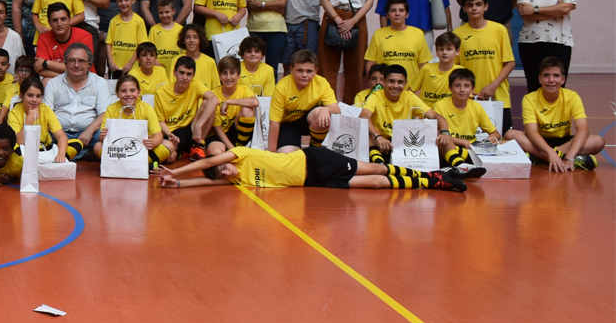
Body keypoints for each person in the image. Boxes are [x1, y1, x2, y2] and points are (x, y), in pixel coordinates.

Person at [156, 144, 467, 192]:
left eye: (225, 169)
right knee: (375, 185)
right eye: (224, 175)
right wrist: (180, 186)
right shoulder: (236, 181)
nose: (227, 173)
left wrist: (174, 172)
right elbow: (210, 180)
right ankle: (438, 183)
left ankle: (432, 173)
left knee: (377, 169)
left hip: (315, 159)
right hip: (312, 181)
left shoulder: (239, 156)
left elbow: (209, 163)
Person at [507, 57, 603, 172]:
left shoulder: (572, 97)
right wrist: (550, 152)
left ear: (563, 80)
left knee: (598, 142)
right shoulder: (529, 98)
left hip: (564, 142)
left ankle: (539, 157)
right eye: (546, 75)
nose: (551, 80)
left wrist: (570, 157)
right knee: (510, 135)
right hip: (538, 142)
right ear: (540, 79)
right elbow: (531, 132)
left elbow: (583, 129)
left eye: (556, 76)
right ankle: (554, 158)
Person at [515, 0, 577, 94]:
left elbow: (566, 8)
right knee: (534, 85)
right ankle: (534, 117)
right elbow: (524, 13)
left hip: (560, 41)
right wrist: (556, 11)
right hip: (531, 42)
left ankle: (556, 118)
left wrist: (535, 9)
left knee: (557, 86)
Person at [359, 64, 446, 165]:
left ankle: (458, 165)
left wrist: (445, 132)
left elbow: (435, 116)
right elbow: (364, 115)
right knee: (365, 130)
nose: (395, 86)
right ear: (384, 82)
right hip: (380, 143)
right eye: (391, 81)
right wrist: (378, 136)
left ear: (406, 83)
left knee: (438, 131)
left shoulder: (409, 96)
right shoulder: (376, 96)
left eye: (400, 82)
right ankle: (379, 162)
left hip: (402, 145)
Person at [452, 0, 515, 127]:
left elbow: (510, 63)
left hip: (498, 96)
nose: (474, 8)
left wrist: (493, 86)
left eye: (478, 4)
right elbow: (454, 69)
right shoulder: (457, 34)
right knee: (472, 141)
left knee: (504, 139)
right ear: (464, 8)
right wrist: (466, 90)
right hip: (469, 97)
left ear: (486, 6)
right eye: (470, 5)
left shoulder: (499, 30)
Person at [42, 43, 111, 160]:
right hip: (58, 132)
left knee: (106, 136)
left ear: (89, 64)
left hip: (89, 133)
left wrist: (88, 132)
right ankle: (82, 153)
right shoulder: (53, 83)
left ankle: (67, 152)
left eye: (81, 61)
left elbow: (104, 113)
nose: (76, 65)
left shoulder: (100, 83)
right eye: (72, 60)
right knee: (39, 134)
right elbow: (46, 113)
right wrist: (60, 135)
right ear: (65, 64)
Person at [267, 50, 339, 151]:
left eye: (309, 71)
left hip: (310, 120)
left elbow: (336, 109)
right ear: (291, 70)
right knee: (287, 155)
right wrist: (271, 154)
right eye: (300, 71)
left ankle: (314, 151)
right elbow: (275, 122)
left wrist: (326, 110)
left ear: (316, 71)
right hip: (289, 125)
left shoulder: (321, 83)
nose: (304, 75)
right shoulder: (281, 87)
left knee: (323, 112)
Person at [364, 0, 431, 86]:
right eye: (393, 10)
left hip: (411, 90)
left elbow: (423, 65)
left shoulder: (418, 34)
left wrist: (418, 89)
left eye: (401, 10)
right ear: (387, 15)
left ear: (407, 14)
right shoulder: (378, 34)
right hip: (384, 90)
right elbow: (371, 63)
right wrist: (375, 84)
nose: (397, 13)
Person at [35, 3, 94, 79]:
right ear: (49, 23)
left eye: (63, 19)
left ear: (69, 20)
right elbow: (40, 69)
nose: (59, 24)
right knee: (46, 81)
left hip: (84, 78)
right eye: (55, 20)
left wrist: (46, 63)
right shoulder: (43, 38)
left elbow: (81, 67)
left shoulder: (84, 36)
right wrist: (65, 78)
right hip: (56, 79)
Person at [104, 0, 146, 77]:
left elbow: (141, 46)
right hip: (115, 67)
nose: (123, 3)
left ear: (133, 0)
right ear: (116, 2)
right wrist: (111, 61)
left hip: (132, 67)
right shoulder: (114, 21)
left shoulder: (139, 21)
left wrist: (130, 63)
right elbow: (108, 43)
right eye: (120, 0)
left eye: (126, 0)